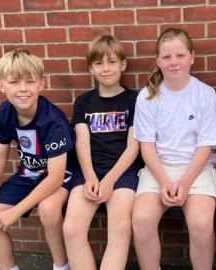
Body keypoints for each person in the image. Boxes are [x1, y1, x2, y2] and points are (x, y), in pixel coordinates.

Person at [0, 48, 76, 270]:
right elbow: (0, 155)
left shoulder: (53, 121)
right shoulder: (4, 112)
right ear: (1, 85)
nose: (22, 89)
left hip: (62, 175)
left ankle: (62, 266)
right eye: (14, 82)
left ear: (41, 84)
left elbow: (56, 177)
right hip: (30, 172)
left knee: (48, 210)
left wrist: (17, 210)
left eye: (30, 82)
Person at [131, 28, 216, 270]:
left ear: (192, 57)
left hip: (197, 169)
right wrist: (164, 182)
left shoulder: (205, 94)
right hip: (158, 168)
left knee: (201, 223)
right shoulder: (147, 97)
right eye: (167, 57)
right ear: (158, 61)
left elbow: (206, 146)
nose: (174, 62)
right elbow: (147, 148)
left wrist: (184, 182)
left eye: (180, 55)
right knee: (141, 220)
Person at [62, 34, 142, 270]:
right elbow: (82, 142)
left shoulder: (135, 100)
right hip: (89, 170)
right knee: (71, 228)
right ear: (91, 68)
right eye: (99, 63)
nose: (106, 69)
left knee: (120, 228)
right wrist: (90, 177)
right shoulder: (84, 103)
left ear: (123, 64)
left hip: (124, 171)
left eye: (112, 62)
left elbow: (133, 146)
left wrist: (108, 181)